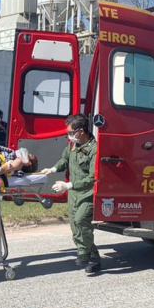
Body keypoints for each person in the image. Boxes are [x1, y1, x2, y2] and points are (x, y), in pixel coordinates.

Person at [41, 113, 100, 273]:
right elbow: (64, 160)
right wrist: (52, 169)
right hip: (74, 194)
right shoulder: (73, 145)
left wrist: (68, 185)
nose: (69, 135)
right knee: (75, 227)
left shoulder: (94, 149)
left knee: (81, 221)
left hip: (87, 193)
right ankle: (93, 257)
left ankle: (84, 253)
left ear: (81, 131)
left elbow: (93, 178)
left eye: (71, 132)